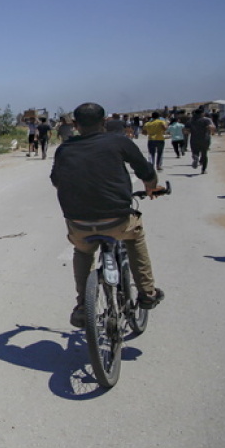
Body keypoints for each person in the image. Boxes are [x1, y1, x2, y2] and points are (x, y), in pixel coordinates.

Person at [50, 102, 165, 329]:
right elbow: (147, 172)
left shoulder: (65, 148)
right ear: (104, 123)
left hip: (79, 224)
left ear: (75, 125)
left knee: (82, 252)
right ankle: (147, 293)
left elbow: (56, 181)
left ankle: (83, 305)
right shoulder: (119, 141)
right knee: (136, 236)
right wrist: (151, 187)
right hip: (117, 221)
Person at [185, 108, 216, 174]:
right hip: (205, 139)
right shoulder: (206, 120)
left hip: (194, 139)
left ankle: (196, 157)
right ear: (202, 113)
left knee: (195, 152)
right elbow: (211, 127)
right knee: (204, 154)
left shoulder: (190, 121)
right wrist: (212, 132)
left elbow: (185, 131)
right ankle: (203, 170)